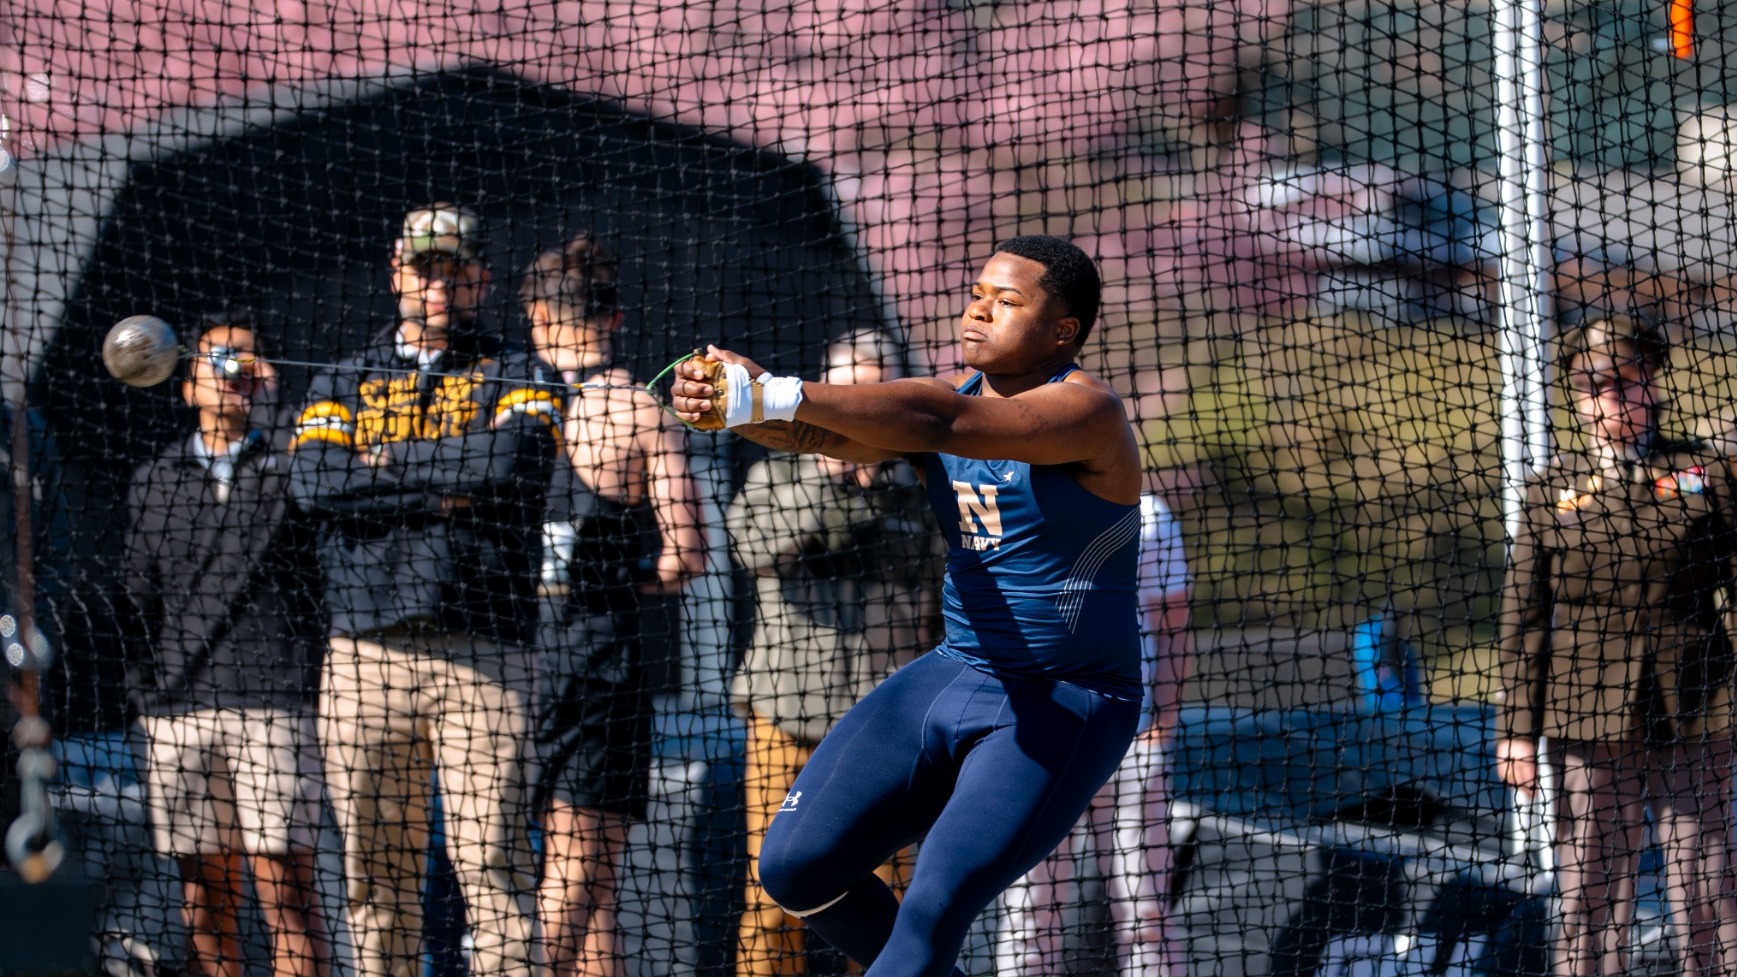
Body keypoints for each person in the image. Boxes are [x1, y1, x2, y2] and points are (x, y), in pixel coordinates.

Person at [672, 235, 1144, 977]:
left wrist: (772, 391)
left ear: (1063, 331)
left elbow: (936, 423)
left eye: (1007, 301)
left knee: (930, 907)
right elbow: (809, 431)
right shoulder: (944, 406)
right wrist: (729, 403)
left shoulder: (1087, 412)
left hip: (1066, 702)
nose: (979, 310)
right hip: (955, 672)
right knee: (793, 868)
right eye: (978, 293)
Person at [288, 203, 555, 977]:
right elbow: (312, 483)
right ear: (396, 272)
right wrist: (444, 486)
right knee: (375, 882)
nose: (440, 285)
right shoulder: (342, 377)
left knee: (494, 870)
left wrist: (380, 473)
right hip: (363, 656)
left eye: (457, 270)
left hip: (486, 656)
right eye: (425, 268)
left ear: (482, 279)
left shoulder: (518, 370)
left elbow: (510, 468)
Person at [1496, 313, 1737, 977]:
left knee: (1705, 874)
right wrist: (1514, 728)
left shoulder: (1702, 473)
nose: (1612, 397)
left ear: (1651, 385)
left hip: (1694, 699)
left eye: (1625, 381)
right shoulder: (1549, 493)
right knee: (1591, 883)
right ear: (1578, 398)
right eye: (1596, 385)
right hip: (1583, 708)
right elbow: (1523, 619)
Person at [726, 331, 944, 977]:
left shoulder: (920, 487)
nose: (859, 402)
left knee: (888, 903)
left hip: (888, 731)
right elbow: (755, 549)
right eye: (848, 388)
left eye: (874, 390)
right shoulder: (776, 470)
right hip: (787, 716)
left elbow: (940, 599)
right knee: (772, 896)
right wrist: (829, 467)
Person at [519, 233, 707, 977]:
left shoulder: (506, 406)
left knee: (587, 887)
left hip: (514, 657)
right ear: (616, 318)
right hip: (599, 659)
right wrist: (614, 578)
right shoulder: (636, 410)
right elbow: (685, 555)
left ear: (537, 317)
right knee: (582, 866)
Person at [123, 316, 332, 977]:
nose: (237, 370)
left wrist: (272, 403)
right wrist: (149, 694)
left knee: (287, 895)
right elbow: (136, 599)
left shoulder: (296, 467)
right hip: (179, 713)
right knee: (205, 900)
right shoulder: (154, 481)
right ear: (186, 385)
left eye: (250, 359)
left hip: (274, 704)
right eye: (221, 359)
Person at [995, 490, 1192, 977]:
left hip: (1127, 735)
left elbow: (1174, 626)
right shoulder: (1011, 500)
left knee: (1143, 900)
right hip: (1036, 743)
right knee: (1029, 906)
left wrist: (1163, 723)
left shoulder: (1145, 514)